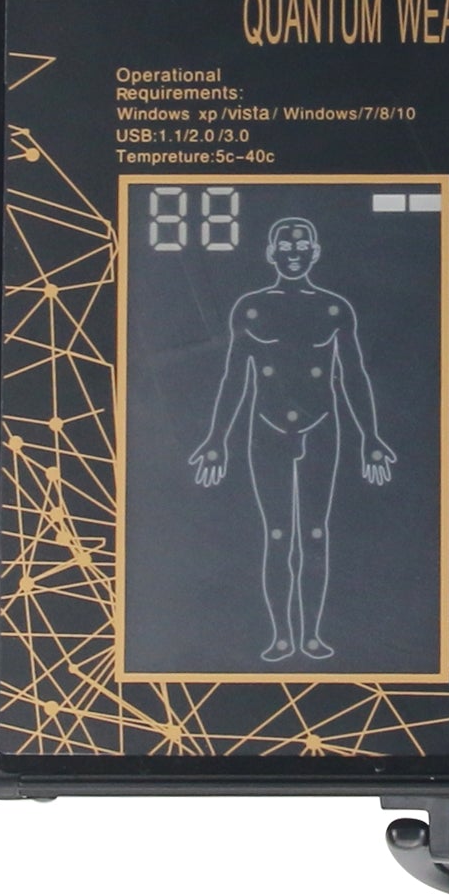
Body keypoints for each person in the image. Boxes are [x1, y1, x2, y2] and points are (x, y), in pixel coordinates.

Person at [189, 216, 396, 661]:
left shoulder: (334, 309)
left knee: (316, 533)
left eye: (302, 246)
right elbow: (235, 378)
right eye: (285, 246)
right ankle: (282, 637)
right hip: (267, 430)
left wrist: (371, 436)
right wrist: (217, 437)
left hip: (321, 427)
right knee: (279, 534)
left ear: (315, 252)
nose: (294, 253)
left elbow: (353, 376)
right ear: (272, 253)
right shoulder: (251, 308)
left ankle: (313, 636)